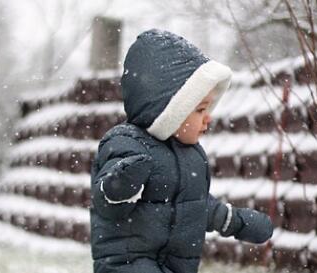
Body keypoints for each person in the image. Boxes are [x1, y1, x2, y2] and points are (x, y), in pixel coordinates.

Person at [90, 29, 273, 273]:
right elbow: (107, 202)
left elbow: (194, 208)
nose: (208, 119)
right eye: (199, 110)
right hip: (127, 266)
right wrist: (122, 183)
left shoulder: (191, 156)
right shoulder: (125, 143)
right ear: (169, 111)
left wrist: (235, 221)